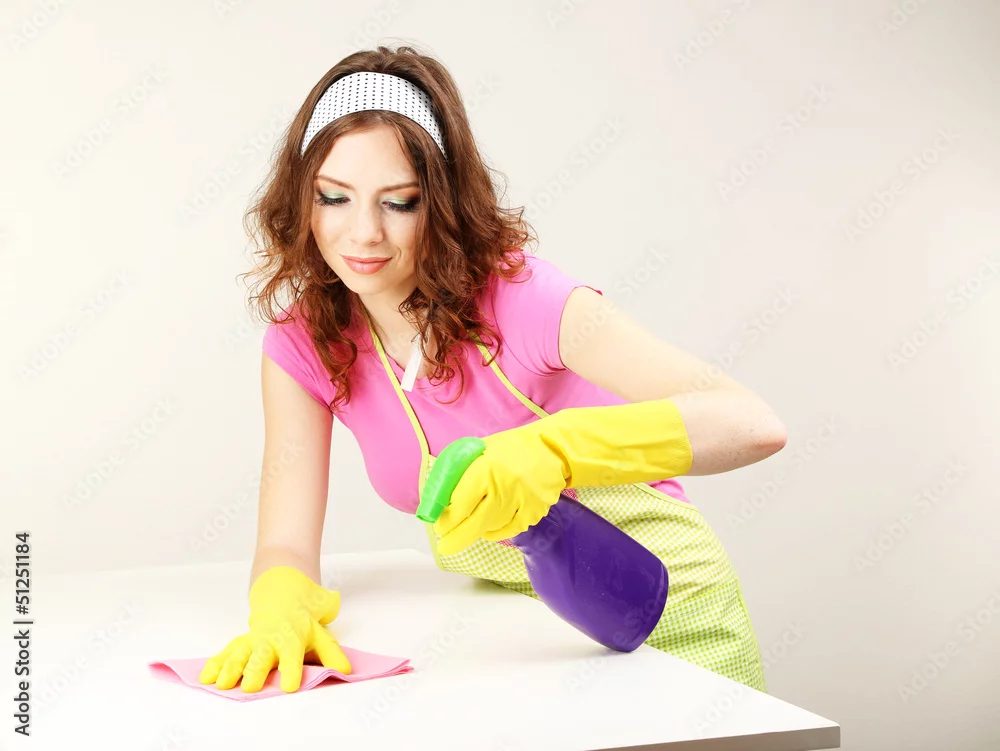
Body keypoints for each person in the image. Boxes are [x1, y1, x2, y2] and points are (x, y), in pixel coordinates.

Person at [199, 44, 787, 696]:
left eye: (400, 202)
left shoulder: (522, 299)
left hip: (672, 621)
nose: (363, 233)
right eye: (333, 197)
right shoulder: (306, 343)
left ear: (443, 200)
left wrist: (555, 451)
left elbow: (752, 424)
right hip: (529, 645)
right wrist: (280, 602)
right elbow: (285, 541)